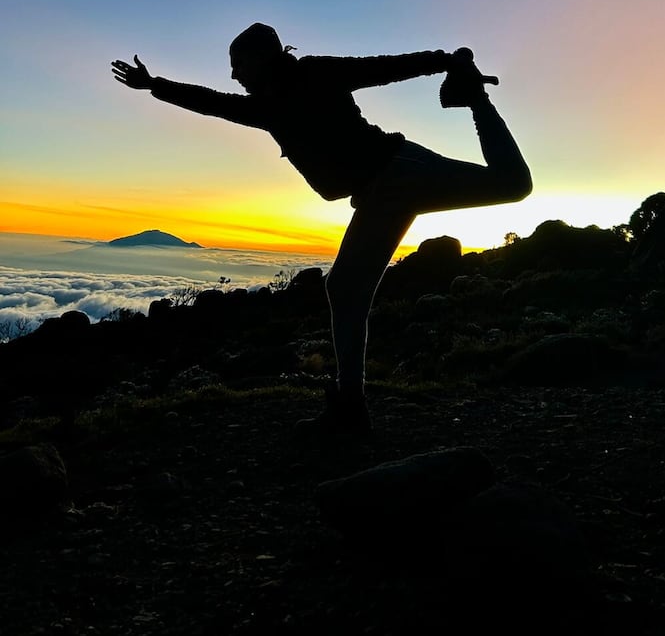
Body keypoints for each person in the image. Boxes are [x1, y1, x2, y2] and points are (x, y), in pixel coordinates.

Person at [111, 24, 532, 436]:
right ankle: (350, 405)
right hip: (380, 193)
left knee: (513, 185)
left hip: (400, 172)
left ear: (263, 59)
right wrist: (155, 85)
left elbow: (383, 67)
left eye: (238, 64)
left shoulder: (313, 73)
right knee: (345, 288)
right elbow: (212, 102)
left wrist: (445, 62)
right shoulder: (265, 106)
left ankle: (476, 98)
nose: (234, 76)